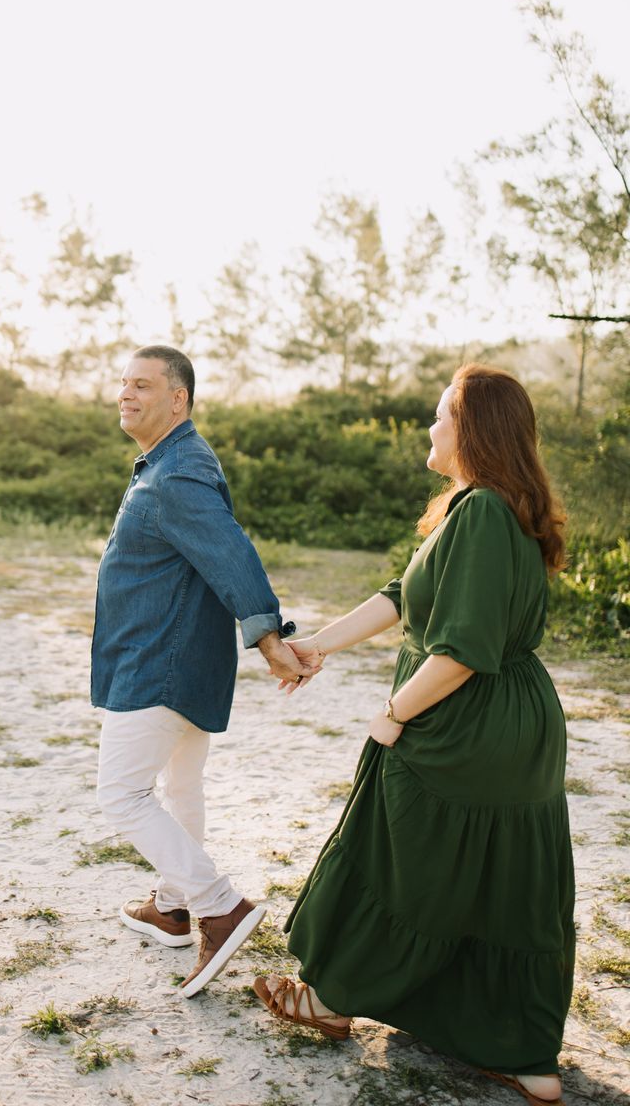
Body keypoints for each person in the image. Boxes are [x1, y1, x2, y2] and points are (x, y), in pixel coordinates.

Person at [252, 364, 574, 1106]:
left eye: (440, 414)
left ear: (472, 430)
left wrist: (394, 714)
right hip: (514, 723)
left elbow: (459, 652)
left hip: (464, 721)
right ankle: (527, 1057)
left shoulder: (484, 512)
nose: (430, 427)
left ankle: (330, 999)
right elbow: (404, 596)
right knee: (503, 884)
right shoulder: (484, 507)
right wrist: (317, 646)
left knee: (401, 859)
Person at [92, 344, 310, 998]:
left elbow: (229, 552)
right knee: (181, 786)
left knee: (121, 794)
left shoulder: (177, 471)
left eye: (143, 385)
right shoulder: (172, 460)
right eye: (123, 383)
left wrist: (268, 636)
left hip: (159, 662)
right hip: (180, 659)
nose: (126, 394)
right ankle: (172, 906)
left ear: (177, 398)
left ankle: (219, 907)